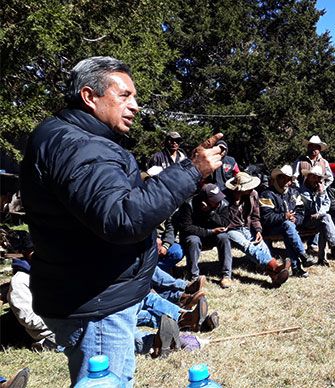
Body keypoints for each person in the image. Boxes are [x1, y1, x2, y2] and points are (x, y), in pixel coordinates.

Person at [19, 56, 223, 386]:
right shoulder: (80, 147)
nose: (136, 106)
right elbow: (122, 218)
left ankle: (177, 318)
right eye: (125, 95)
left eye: (135, 97)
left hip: (93, 289)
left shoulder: (67, 136)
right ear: (90, 96)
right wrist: (191, 170)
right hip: (96, 302)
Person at [225, 172, 291, 286]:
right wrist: (236, 202)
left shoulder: (253, 194)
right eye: (248, 188)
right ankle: (274, 266)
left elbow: (255, 216)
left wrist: (258, 231)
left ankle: (274, 276)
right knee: (248, 245)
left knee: (261, 245)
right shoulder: (225, 198)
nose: (251, 189)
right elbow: (224, 219)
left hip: (246, 226)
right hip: (230, 229)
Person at [259, 165, 317, 278]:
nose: (287, 181)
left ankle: (297, 268)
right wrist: (284, 216)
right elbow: (266, 217)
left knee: (288, 229)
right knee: (287, 225)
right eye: (283, 178)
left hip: (290, 228)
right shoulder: (267, 194)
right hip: (271, 228)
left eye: (289, 179)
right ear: (277, 178)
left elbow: (301, 211)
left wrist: (296, 219)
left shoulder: (294, 193)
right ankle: (302, 255)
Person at [176, 184, 234, 288]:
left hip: (212, 236)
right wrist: (210, 231)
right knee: (193, 241)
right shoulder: (189, 204)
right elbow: (187, 228)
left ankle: (226, 275)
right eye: (214, 200)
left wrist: (210, 213)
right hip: (194, 235)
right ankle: (193, 276)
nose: (218, 202)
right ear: (204, 199)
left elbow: (225, 223)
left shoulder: (223, 204)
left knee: (224, 237)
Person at [300, 165, 335, 264]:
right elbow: (313, 208)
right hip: (305, 220)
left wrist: (320, 212)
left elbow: (326, 204)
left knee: (324, 219)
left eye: (318, 177)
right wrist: (320, 194)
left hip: (318, 218)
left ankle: (323, 257)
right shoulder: (303, 191)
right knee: (325, 218)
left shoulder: (320, 188)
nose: (316, 180)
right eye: (314, 177)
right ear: (308, 176)